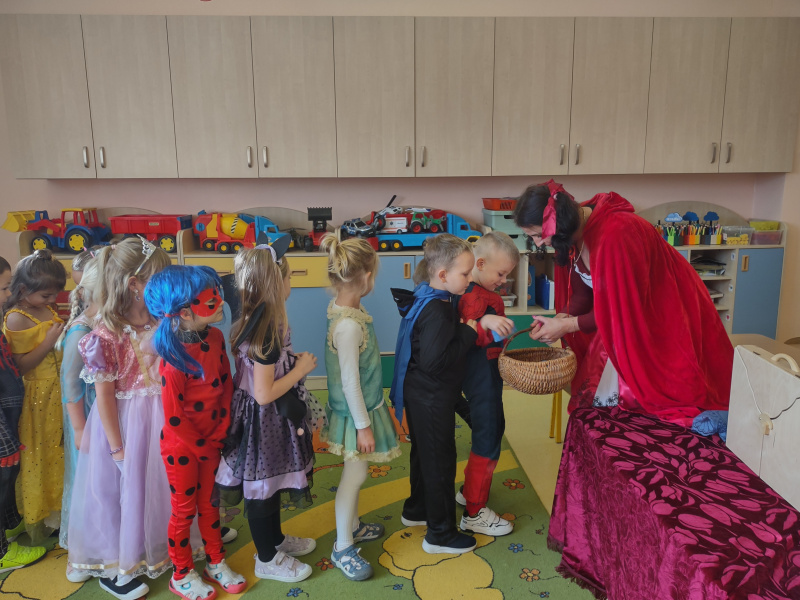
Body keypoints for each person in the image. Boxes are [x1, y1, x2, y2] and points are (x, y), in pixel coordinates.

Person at [513, 180, 733, 425]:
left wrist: (567, 326)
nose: (538, 242)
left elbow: (621, 310)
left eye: (538, 235)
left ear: (558, 223)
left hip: (666, 312)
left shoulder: (618, 234)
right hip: (626, 315)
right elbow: (583, 295)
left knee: (668, 393)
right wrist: (560, 319)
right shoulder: (575, 230)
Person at [66, 237, 176, 599]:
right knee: (123, 490)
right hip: (125, 425)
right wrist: (117, 450)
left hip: (163, 416)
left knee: (161, 483)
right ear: (135, 285)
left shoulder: (162, 320)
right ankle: (116, 566)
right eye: (159, 278)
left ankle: (163, 542)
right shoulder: (106, 334)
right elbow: (105, 396)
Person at [216, 241, 324, 584]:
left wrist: (290, 362)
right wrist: (301, 369)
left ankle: (275, 540)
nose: (291, 283)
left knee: (273, 482)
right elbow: (263, 394)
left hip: (266, 418)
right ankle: (266, 558)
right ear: (276, 284)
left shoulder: (261, 319)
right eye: (288, 277)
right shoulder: (266, 333)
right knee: (262, 488)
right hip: (264, 421)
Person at [145, 265, 246, 599]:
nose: (220, 301)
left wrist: (224, 429)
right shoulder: (173, 359)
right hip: (183, 449)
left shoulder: (215, 338)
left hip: (213, 441)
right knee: (184, 511)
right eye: (211, 298)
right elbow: (175, 419)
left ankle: (216, 562)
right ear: (186, 312)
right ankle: (181, 573)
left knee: (211, 505)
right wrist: (205, 448)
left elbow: (226, 383)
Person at [319, 234, 401, 581]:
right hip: (356, 414)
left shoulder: (344, 309)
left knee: (357, 474)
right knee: (354, 477)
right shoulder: (349, 326)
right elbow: (350, 381)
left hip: (358, 409)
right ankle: (342, 547)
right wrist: (364, 426)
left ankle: (352, 526)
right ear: (366, 278)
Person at [390, 234, 478, 555]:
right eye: (465, 274)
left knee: (424, 455)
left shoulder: (429, 297)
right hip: (430, 397)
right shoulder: (438, 311)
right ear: (442, 275)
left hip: (419, 393)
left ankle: (417, 509)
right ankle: (440, 534)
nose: (469, 279)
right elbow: (434, 362)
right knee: (440, 461)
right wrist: (467, 332)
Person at [455, 232, 518, 536]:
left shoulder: (477, 291)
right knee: (488, 434)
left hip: (486, 374)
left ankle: (469, 491)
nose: (503, 281)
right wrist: (485, 325)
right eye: (500, 274)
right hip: (479, 376)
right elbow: (466, 335)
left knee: (492, 429)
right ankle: (474, 511)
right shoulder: (473, 296)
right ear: (480, 264)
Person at [3, 249, 67, 543]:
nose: (53, 300)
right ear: (22, 289)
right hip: (37, 397)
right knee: (41, 454)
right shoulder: (17, 318)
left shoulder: (43, 308)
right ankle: (40, 517)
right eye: (46, 295)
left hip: (58, 391)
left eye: (55, 294)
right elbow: (20, 366)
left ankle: (59, 514)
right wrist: (50, 340)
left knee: (58, 453)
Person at [0, 256, 47, 573]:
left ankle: (9, 525)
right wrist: (4, 439)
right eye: (4, 287)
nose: (9, 294)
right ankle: (2, 553)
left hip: (8, 412)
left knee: (7, 480)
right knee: (3, 478)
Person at [59, 257, 100, 559]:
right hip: (86, 417)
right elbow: (70, 383)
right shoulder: (80, 331)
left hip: (101, 413)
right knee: (87, 482)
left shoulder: (102, 323)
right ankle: (81, 552)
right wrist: (78, 429)